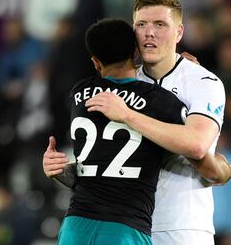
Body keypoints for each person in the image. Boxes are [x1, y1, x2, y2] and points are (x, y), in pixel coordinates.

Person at [44, 0, 230, 245]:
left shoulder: (202, 81)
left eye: (160, 24)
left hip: (183, 228)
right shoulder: (119, 85)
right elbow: (108, 168)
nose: (149, 32)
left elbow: (197, 144)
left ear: (179, 32)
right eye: (141, 24)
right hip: (128, 227)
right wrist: (62, 170)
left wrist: (128, 116)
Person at [57, 18, 187, 245]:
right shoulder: (162, 102)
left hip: (74, 226)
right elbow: (189, 146)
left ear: (95, 62)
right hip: (125, 228)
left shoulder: (80, 94)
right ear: (135, 54)